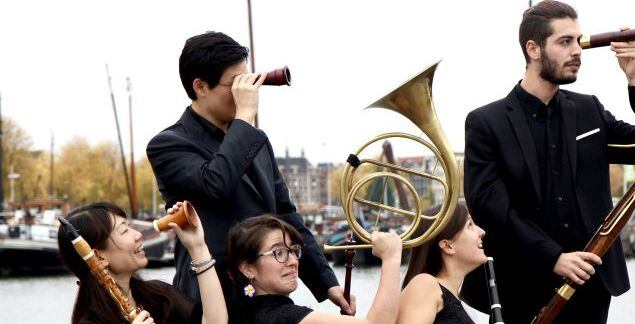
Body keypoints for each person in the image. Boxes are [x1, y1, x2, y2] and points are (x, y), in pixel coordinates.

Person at [462, 1, 635, 323]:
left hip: (591, 281)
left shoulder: (589, 110)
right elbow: (489, 205)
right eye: (565, 41)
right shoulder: (486, 122)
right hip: (521, 285)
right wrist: (553, 257)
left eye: (578, 40)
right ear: (533, 49)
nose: (578, 50)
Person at [146, 31, 351, 316]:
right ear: (201, 86)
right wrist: (244, 116)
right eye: (236, 84)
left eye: (248, 80)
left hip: (264, 297)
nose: (247, 91)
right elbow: (216, 184)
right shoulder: (168, 145)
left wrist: (327, 283)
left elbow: (286, 215)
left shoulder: (256, 140)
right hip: (211, 299)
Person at [57, 202, 227, 324]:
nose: (137, 234)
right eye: (124, 231)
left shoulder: (159, 296)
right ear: (97, 256)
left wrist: (198, 247)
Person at [226, 215, 402, 324]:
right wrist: (391, 257)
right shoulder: (283, 317)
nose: (293, 261)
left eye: (294, 251)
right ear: (247, 269)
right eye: (278, 252)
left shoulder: (242, 313)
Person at [397, 202, 486, 324]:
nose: (482, 232)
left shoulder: (450, 297)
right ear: (448, 246)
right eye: (470, 225)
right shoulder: (424, 285)